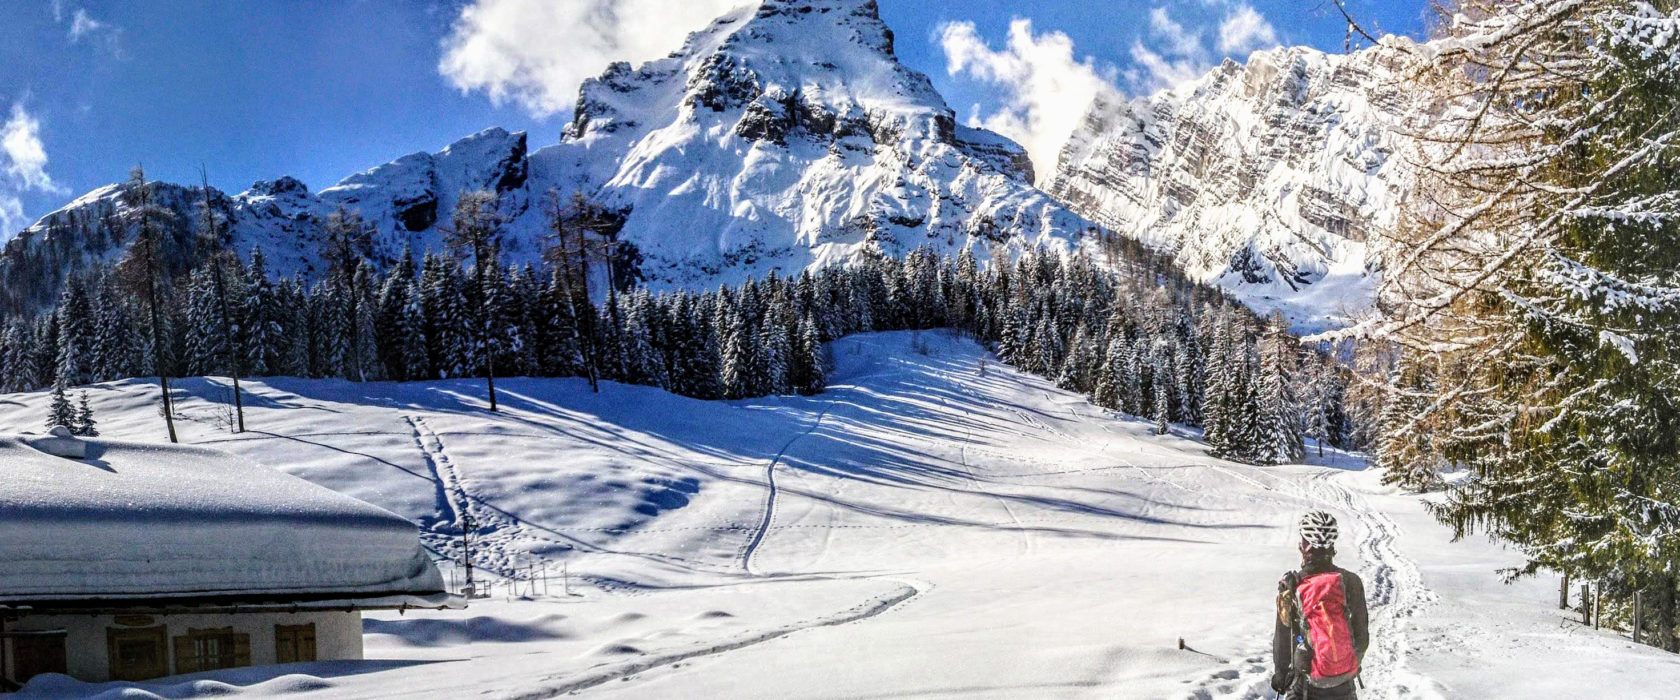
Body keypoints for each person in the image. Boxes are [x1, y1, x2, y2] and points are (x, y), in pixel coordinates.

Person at [1271, 510, 1369, 699]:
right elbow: (1361, 635)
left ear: (1304, 545)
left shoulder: (1292, 585)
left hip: (1305, 684)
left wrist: (1281, 675)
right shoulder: (1351, 581)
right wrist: (1347, 663)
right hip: (1345, 684)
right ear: (1331, 545)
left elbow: (1283, 637)